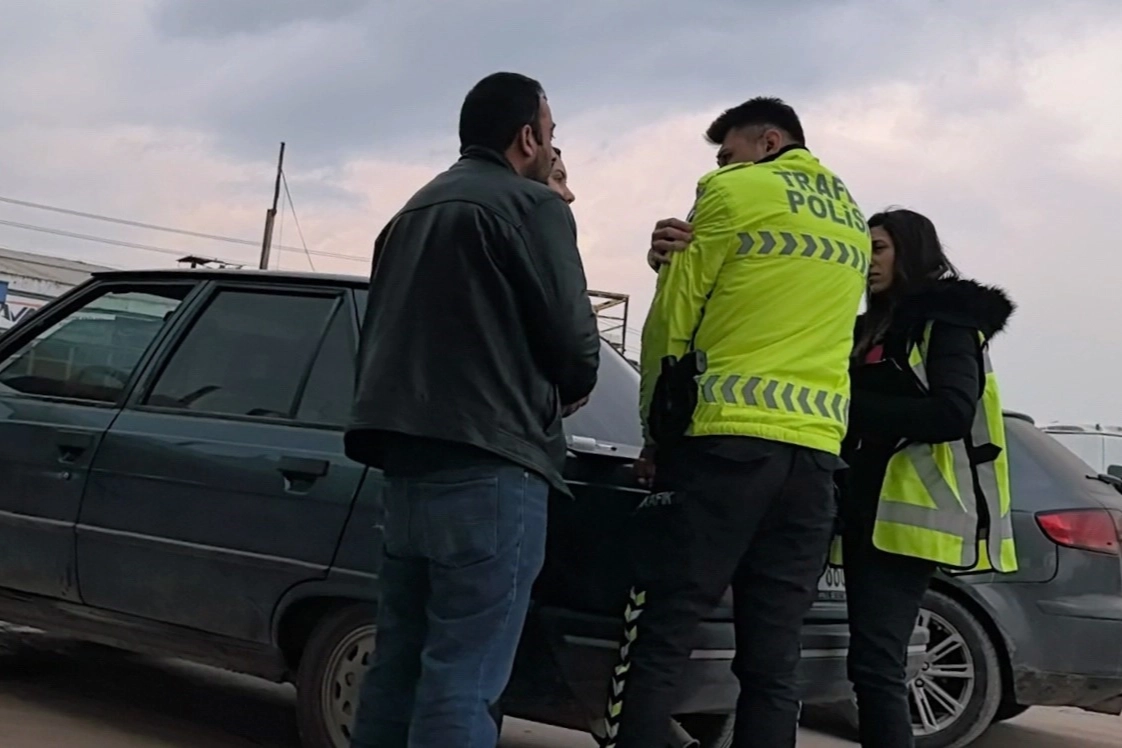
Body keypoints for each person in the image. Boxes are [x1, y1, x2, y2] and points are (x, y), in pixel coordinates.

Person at [602, 97, 870, 748]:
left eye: (728, 153)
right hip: (813, 460)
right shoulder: (853, 220)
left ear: (769, 141)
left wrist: (655, 433)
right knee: (774, 657)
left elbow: (673, 322)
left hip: (725, 446)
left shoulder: (728, 192)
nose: (720, 165)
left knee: (663, 633)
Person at [345, 71, 601, 748]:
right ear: (527, 138)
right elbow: (578, 349)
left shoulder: (410, 213)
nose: (554, 148)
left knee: (397, 668)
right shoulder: (532, 206)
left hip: (405, 469)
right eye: (551, 133)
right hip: (492, 469)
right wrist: (563, 386)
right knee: (465, 675)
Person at [840, 208, 1017, 747]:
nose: (867, 261)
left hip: (907, 517)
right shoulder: (870, 325)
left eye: (878, 248)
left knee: (877, 664)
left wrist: (849, 407)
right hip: (861, 508)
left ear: (910, 252)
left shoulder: (948, 323)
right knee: (867, 663)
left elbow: (951, 414)